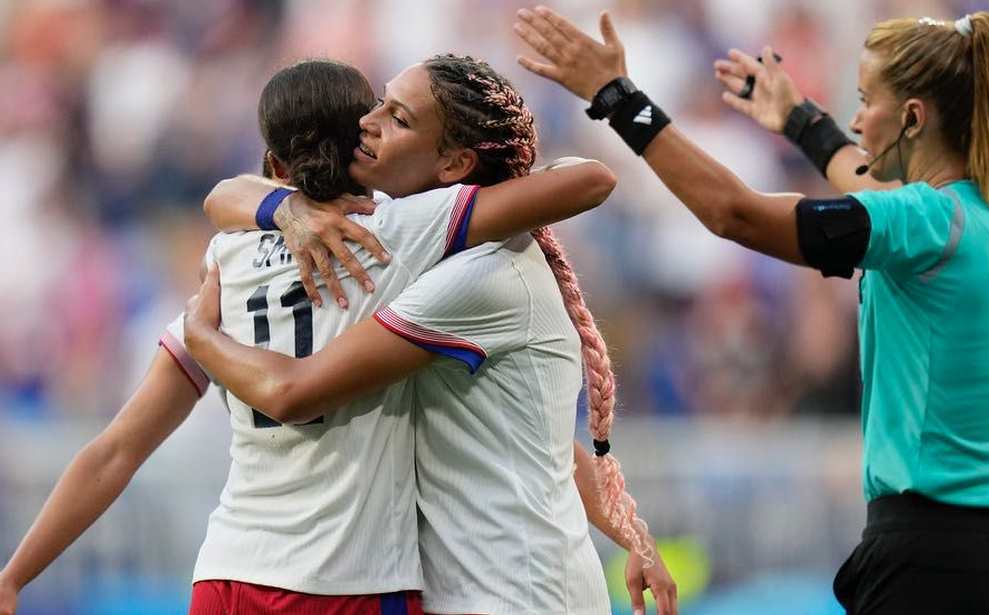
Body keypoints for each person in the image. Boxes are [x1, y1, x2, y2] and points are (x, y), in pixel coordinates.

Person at [0, 58, 625, 615]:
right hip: (353, 580)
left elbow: (114, 453)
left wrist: (14, 577)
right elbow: (585, 181)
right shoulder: (400, 235)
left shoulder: (223, 268)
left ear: (274, 166)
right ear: (363, 145)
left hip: (229, 572)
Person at [514, 6, 989, 614]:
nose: (856, 119)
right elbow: (869, 186)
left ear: (913, 117)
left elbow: (735, 212)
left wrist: (619, 98)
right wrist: (800, 119)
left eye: (865, 100)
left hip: (929, 560)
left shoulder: (922, 223)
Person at [193, 53, 678, 615]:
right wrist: (632, 531)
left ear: (452, 165)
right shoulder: (419, 250)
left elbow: (294, 392)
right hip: (481, 590)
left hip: (513, 596)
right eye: (379, 103)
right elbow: (543, 442)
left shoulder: (470, 276)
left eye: (397, 118)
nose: (366, 123)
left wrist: (200, 335)